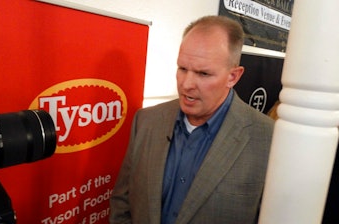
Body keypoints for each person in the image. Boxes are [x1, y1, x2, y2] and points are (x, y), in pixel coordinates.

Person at [109, 15, 275, 224]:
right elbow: (122, 203)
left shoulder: (268, 139)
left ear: (233, 76)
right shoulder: (146, 121)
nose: (186, 84)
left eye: (203, 73)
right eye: (182, 69)